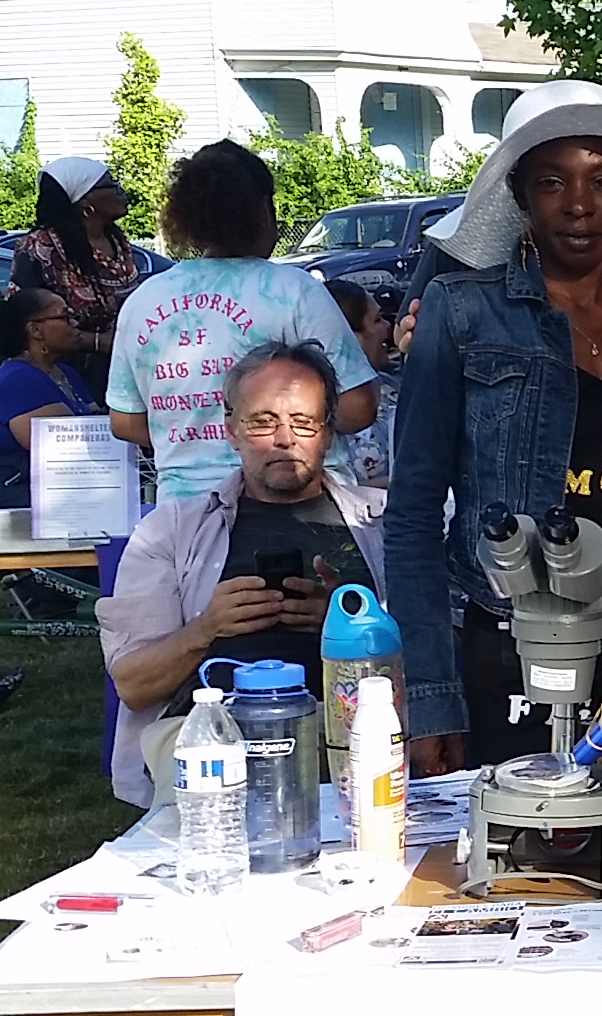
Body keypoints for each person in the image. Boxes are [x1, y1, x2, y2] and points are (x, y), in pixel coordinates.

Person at [385, 82, 602, 775]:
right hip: (512, 658)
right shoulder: (461, 313)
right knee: (524, 865)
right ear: (521, 197)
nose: (580, 204)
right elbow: (410, 516)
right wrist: (435, 698)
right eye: (553, 181)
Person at [96, 340, 391, 810]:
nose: (284, 439)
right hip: (215, 736)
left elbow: (439, 659)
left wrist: (351, 628)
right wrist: (206, 629)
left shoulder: (383, 526)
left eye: (303, 422)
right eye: (262, 422)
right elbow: (133, 684)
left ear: (328, 434)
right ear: (231, 430)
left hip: (356, 731)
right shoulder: (172, 531)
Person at [106, 141, 377, 503]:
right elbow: (358, 409)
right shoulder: (294, 291)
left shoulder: (143, 301)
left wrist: (196, 431)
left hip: (186, 515)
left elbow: (125, 422)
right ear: (263, 211)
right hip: (299, 507)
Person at [0, 286, 101, 509]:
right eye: (66, 316)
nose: (75, 324)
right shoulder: (19, 379)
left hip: (43, 488)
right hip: (3, 495)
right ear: (35, 330)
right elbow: (66, 453)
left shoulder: (65, 373)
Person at [13, 157, 143, 361]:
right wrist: (99, 342)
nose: (121, 190)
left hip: (128, 358)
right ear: (86, 201)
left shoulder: (117, 239)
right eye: (112, 184)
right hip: (72, 367)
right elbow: (22, 318)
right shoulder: (41, 246)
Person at [326, 279, 399, 489]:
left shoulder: (392, 389)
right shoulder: (312, 409)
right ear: (350, 339)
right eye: (377, 320)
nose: (387, 325)